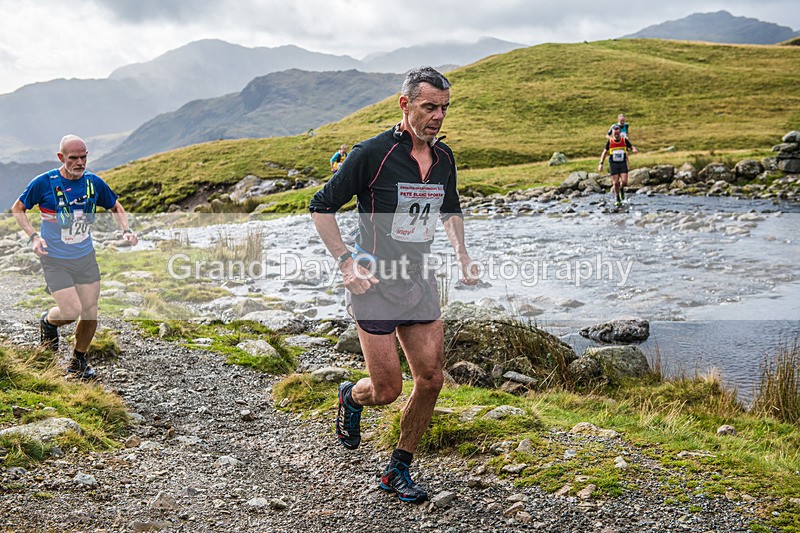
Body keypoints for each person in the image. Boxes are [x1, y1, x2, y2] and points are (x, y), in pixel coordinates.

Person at [309, 67, 478, 504]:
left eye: (444, 108)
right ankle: (350, 395)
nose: (439, 116)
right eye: (429, 107)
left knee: (432, 378)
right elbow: (321, 206)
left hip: (419, 281)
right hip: (374, 283)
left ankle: (396, 469)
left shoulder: (444, 159)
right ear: (405, 105)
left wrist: (461, 253)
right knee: (386, 390)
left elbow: (451, 208)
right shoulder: (372, 153)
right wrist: (346, 263)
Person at [11, 135, 138, 379]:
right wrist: (33, 237)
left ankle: (78, 361)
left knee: (90, 310)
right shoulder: (44, 183)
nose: (80, 162)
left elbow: (115, 206)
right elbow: (19, 208)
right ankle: (48, 322)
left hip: (85, 256)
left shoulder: (93, 182)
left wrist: (126, 230)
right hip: (55, 258)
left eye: (84, 157)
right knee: (70, 311)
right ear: (61, 158)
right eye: (73, 158)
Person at [599, 124, 638, 207]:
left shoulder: (624, 140)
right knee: (615, 183)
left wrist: (634, 149)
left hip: (622, 163)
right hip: (613, 164)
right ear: (612, 133)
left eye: (617, 132)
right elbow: (604, 153)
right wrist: (601, 164)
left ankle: (621, 189)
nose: (616, 134)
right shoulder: (610, 142)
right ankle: (618, 198)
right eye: (614, 132)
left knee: (624, 182)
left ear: (620, 132)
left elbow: (631, 146)